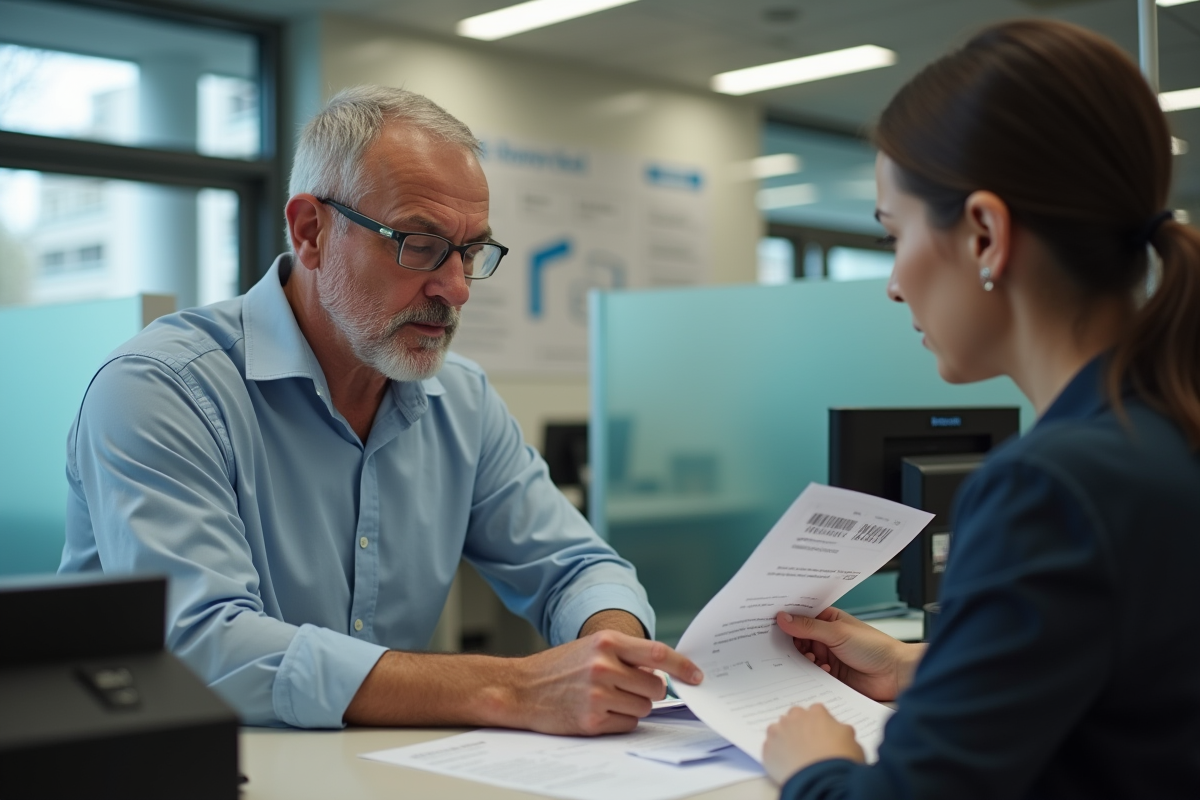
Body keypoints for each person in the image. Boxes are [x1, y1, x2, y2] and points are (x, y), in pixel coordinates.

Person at [59, 86, 702, 732]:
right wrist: (510, 688)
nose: (456, 289)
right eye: (419, 244)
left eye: (470, 252)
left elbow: (577, 569)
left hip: (373, 767)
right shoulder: (162, 390)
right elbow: (204, 645)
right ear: (310, 232)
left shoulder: (462, 401)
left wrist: (614, 650)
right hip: (180, 762)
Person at [761, 19, 1200, 799]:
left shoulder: (1049, 487)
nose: (894, 285)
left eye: (894, 236)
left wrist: (813, 766)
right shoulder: (1165, 432)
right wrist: (916, 665)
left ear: (986, 236)